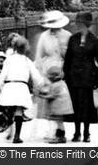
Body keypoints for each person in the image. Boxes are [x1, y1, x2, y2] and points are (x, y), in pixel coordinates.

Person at [63, 11, 98, 143]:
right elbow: (68, 58)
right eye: (77, 24)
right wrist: (65, 74)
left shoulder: (96, 41)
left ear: (86, 25)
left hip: (88, 78)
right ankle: (76, 132)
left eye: (80, 24)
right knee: (75, 106)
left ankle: (86, 132)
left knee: (86, 106)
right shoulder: (73, 39)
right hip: (73, 77)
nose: (78, 26)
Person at [34, 10, 72, 142]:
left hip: (62, 71)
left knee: (60, 102)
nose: (53, 29)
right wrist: (40, 75)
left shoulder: (67, 35)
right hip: (48, 71)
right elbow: (39, 55)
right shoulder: (44, 36)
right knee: (49, 103)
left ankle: (59, 131)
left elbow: (71, 56)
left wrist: (66, 70)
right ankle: (53, 130)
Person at [0, 36, 44, 143]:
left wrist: (2, 88)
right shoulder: (27, 61)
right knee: (19, 110)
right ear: (25, 48)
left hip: (9, 86)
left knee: (10, 108)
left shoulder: (8, 60)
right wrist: (42, 84)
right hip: (21, 87)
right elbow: (36, 77)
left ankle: (10, 129)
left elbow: (2, 76)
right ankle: (17, 136)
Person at [38, 64, 74, 143]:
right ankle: (59, 136)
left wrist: (42, 96)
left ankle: (60, 137)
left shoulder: (56, 85)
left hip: (59, 108)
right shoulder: (62, 83)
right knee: (59, 122)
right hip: (63, 108)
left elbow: (52, 95)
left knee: (58, 123)